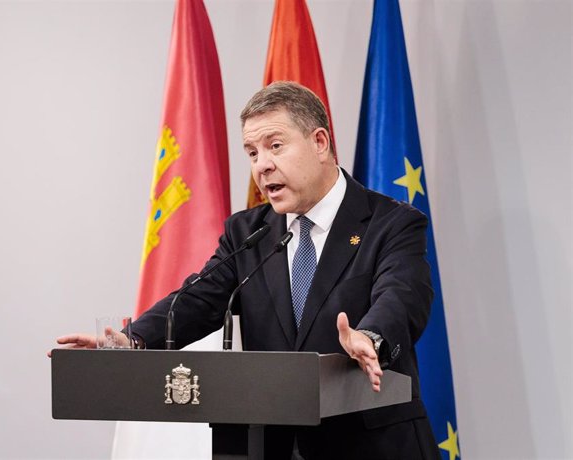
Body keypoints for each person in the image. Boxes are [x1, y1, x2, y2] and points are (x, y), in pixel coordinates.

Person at [52, 81, 440, 459]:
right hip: (267, 445)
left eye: (275, 146)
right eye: (252, 153)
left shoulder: (391, 223)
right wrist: (131, 340)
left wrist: (371, 337)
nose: (262, 165)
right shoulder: (248, 232)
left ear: (320, 143)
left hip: (370, 445)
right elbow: (198, 299)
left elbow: (402, 294)